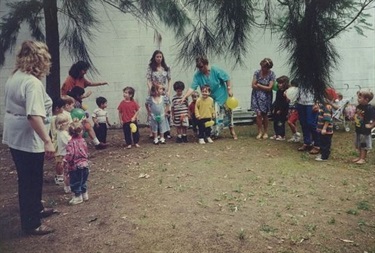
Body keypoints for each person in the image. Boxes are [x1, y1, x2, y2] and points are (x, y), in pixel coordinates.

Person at [2, 40, 57, 235]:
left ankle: (36, 208)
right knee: (30, 179)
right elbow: (33, 116)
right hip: (26, 134)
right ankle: (31, 223)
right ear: (39, 60)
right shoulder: (31, 83)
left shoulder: (16, 76)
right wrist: (47, 140)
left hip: (15, 132)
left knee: (30, 176)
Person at [181, 56, 237, 139]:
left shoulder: (215, 70)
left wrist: (229, 89)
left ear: (206, 64)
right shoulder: (197, 75)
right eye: (198, 67)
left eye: (201, 66)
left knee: (228, 113)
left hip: (222, 95)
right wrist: (185, 96)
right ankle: (214, 133)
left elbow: (227, 78)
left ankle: (232, 131)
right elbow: (192, 87)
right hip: (210, 99)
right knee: (214, 115)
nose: (200, 69)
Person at [64, 120, 90, 205]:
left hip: (75, 166)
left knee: (75, 181)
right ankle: (84, 194)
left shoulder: (71, 143)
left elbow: (70, 154)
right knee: (83, 180)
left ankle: (78, 196)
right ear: (81, 131)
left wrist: (65, 160)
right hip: (85, 164)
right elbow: (86, 151)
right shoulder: (83, 140)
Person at [250, 58, 275, 139]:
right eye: (261, 67)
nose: (262, 68)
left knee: (265, 114)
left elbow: (270, 88)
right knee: (258, 113)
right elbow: (253, 85)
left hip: (266, 96)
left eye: (264, 67)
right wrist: (263, 86)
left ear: (268, 68)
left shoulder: (271, 74)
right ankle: (259, 131)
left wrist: (259, 85)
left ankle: (265, 132)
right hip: (256, 95)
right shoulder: (257, 72)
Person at [352, 89, 374, 164]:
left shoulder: (369, 108)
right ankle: (359, 157)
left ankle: (363, 158)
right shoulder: (359, 106)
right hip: (358, 129)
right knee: (358, 144)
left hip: (365, 131)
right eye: (358, 97)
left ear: (366, 99)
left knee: (364, 144)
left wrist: (371, 125)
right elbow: (357, 115)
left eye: (360, 98)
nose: (358, 99)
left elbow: (373, 118)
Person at [296, 87, 320, 154]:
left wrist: (317, 103)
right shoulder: (300, 78)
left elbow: (319, 89)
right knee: (303, 123)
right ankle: (307, 142)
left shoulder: (315, 77)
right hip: (301, 103)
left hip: (311, 103)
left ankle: (317, 145)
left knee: (311, 123)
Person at [50, 97, 66, 185]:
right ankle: (59, 176)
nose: (63, 110)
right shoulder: (55, 119)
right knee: (59, 160)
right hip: (58, 142)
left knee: (60, 159)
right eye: (62, 107)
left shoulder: (53, 118)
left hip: (58, 141)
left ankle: (60, 175)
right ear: (57, 108)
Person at [55, 113, 72, 193]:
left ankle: (68, 186)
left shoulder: (59, 132)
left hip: (64, 154)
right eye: (65, 122)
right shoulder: (63, 134)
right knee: (67, 172)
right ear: (60, 124)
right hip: (66, 155)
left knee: (67, 172)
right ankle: (67, 187)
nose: (67, 123)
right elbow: (69, 143)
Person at [315, 92, 334, 161]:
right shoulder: (322, 106)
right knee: (322, 142)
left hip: (326, 130)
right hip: (321, 129)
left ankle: (324, 156)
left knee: (325, 143)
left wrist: (324, 129)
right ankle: (322, 153)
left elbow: (327, 120)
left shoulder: (327, 108)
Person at [270, 76, 290, 141]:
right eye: (278, 83)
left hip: (282, 110)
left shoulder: (286, 92)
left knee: (280, 122)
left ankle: (282, 135)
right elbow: (277, 100)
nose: (279, 84)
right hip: (276, 108)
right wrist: (274, 108)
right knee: (275, 122)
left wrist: (280, 110)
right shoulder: (278, 91)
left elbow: (285, 102)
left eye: (281, 83)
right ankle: (277, 133)